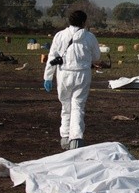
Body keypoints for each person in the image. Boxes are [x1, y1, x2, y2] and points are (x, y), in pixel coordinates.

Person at [43, 10, 101, 150]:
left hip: (63, 74)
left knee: (65, 105)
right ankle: (76, 138)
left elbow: (52, 57)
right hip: (82, 75)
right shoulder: (89, 37)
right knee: (78, 106)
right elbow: (97, 57)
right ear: (83, 22)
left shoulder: (60, 35)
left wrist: (48, 77)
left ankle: (64, 137)